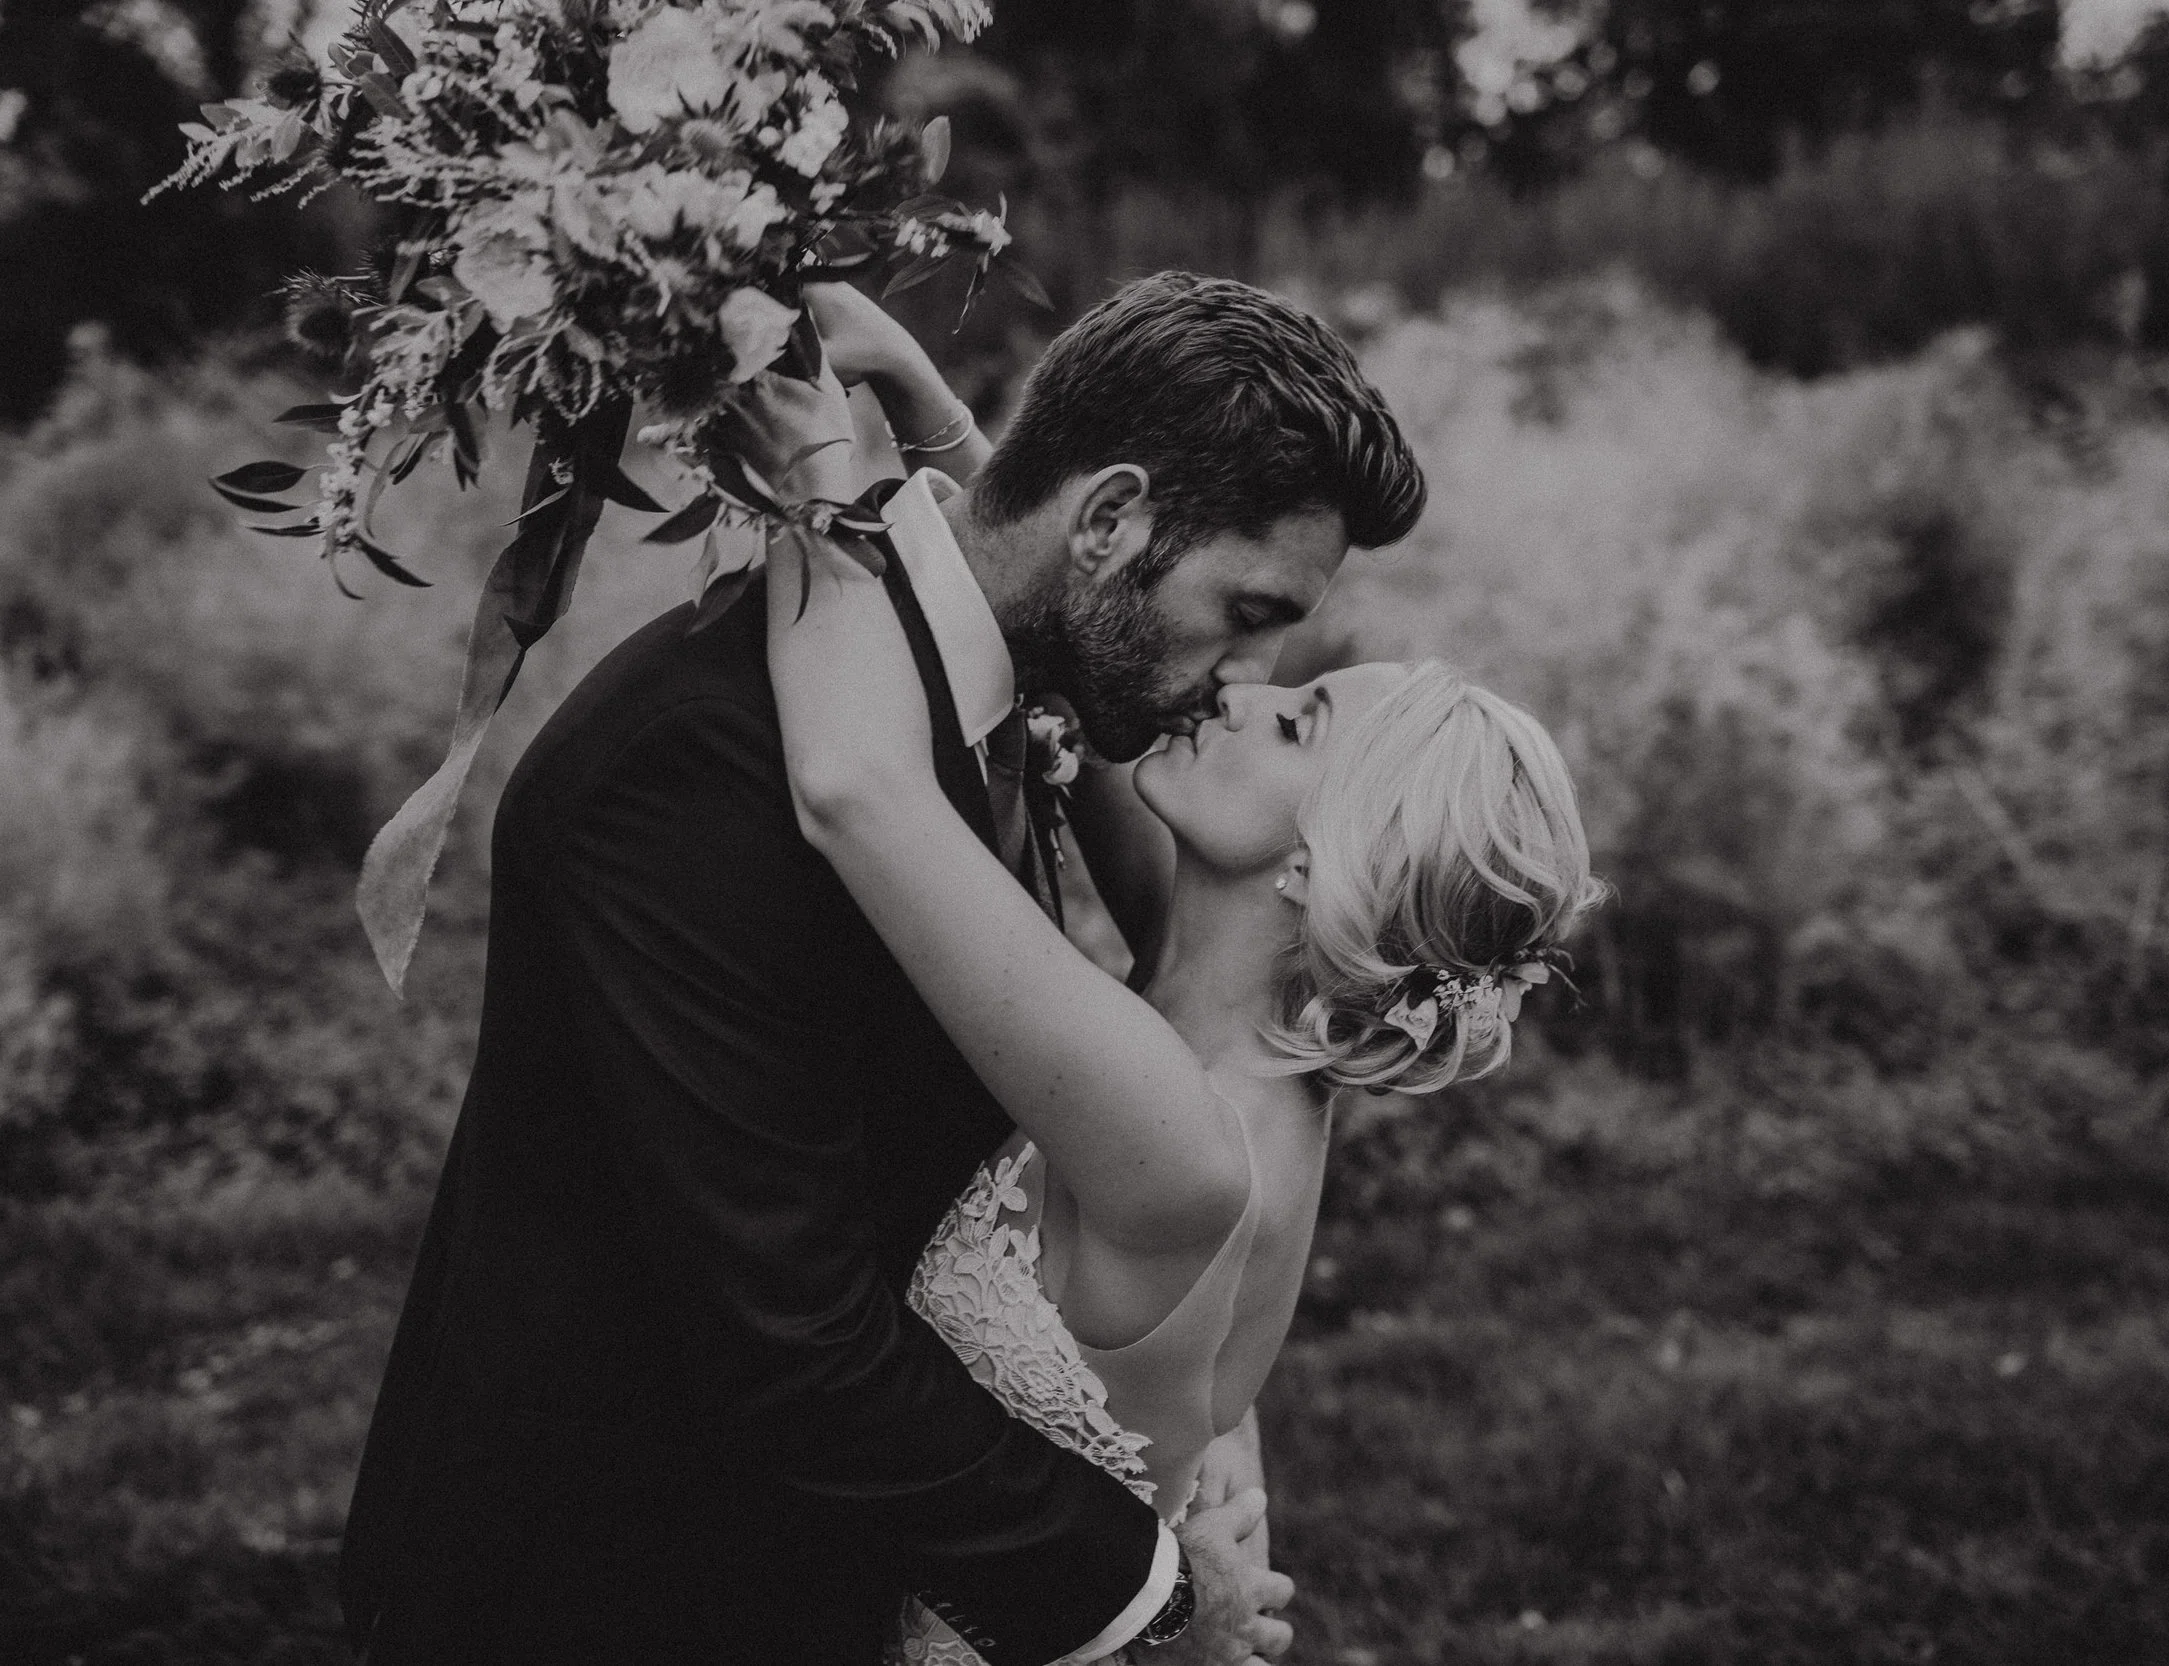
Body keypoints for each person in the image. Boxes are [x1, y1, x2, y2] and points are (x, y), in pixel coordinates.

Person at [338, 273, 1425, 1666]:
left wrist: (913, 432)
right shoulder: (699, 763)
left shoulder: (1002, 690)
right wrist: (1145, 1596)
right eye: (1247, 609)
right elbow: (790, 1333)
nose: (1244, 673)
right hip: (600, 1581)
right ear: (1107, 520)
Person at [765, 433, 1605, 1666]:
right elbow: (1062, 576)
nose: (1240, 692)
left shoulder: (1175, 1129)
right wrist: (927, 404)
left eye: (1297, 723)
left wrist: (798, 452)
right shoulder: (1226, 994)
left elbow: (855, 789)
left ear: (1325, 863)